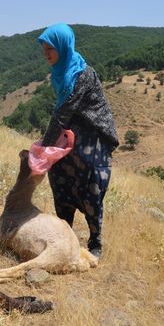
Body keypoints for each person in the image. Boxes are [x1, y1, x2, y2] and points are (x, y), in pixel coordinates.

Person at [37, 23, 119, 259]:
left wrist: (43, 146)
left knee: (90, 183)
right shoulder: (60, 73)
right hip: (73, 132)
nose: (46, 54)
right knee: (60, 175)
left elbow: (62, 112)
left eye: (50, 49)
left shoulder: (81, 74)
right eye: (44, 49)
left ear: (63, 47)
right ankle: (65, 233)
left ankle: (95, 242)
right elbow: (63, 114)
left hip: (93, 135)